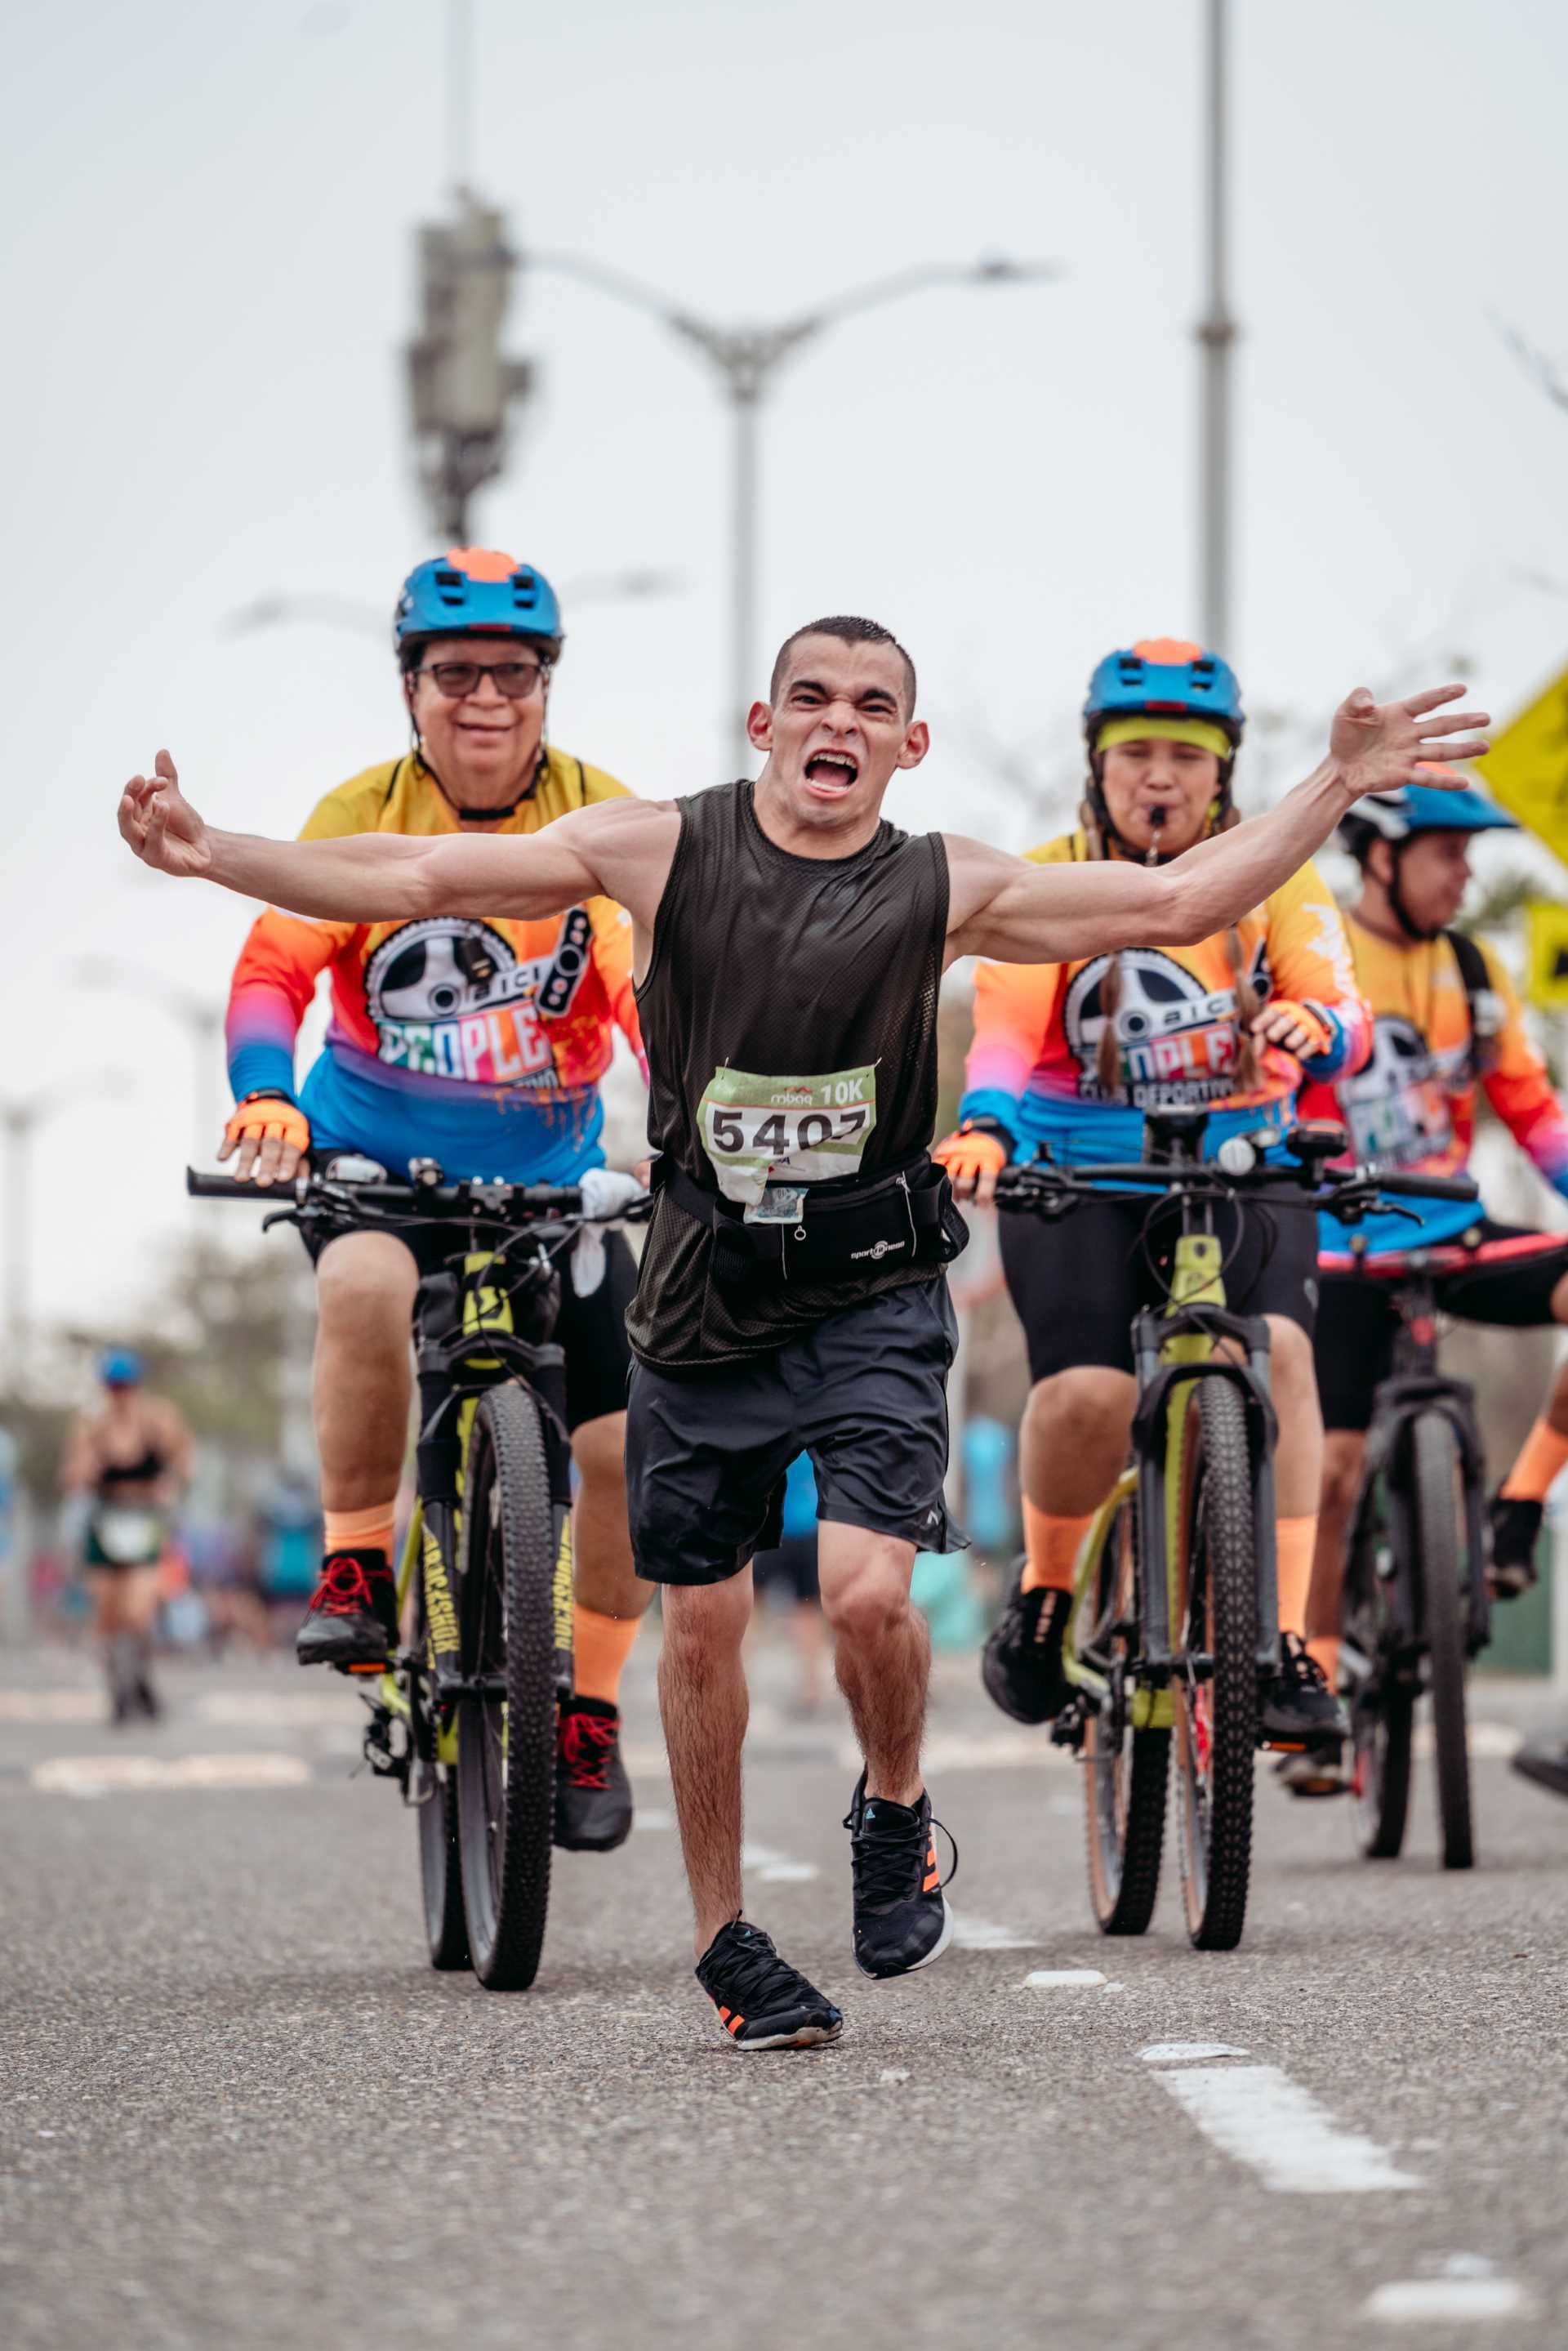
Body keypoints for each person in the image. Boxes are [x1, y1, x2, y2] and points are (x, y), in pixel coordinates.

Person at [117, 615, 1488, 2045]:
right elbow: (407, 871)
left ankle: (895, 1809)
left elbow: (1176, 899)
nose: (841, 722)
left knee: (864, 1595)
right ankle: (727, 1943)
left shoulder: (941, 880)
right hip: (706, 1289)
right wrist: (217, 853)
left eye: (874, 704)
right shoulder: (659, 848)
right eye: (813, 697)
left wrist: (1333, 787)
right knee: (699, 1625)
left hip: (873, 1283)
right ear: (763, 724)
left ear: (910, 743)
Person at [220, 546, 652, 1849]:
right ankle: (357, 1556)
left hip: (550, 1177)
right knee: (361, 1281)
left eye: (512, 674)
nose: (485, 698)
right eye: (454, 672)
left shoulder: (606, 815)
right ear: (411, 687)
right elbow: (270, 970)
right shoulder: (358, 811)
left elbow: (649, 990)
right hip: (375, 1164)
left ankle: (588, 1711)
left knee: (625, 1444)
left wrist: (687, 1119)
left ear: (546, 686)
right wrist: (266, 1093)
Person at [936, 641, 1371, 1767]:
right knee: (1082, 1396)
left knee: (1277, 1349)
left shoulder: (1274, 875)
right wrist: (986, 1121)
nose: (1160, 777)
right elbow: (1006, 1028)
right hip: (1076, 1171)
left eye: (1187, 754)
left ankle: (1278, 1640)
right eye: (1137, 756)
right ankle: (1043, 1599)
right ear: (1098, 764)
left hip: (1239, 1166)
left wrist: (1315, 1028)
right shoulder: (1049, 874)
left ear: (1224, 773)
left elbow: (1338, 999)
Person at [1297, 780, 1568, 1791]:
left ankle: (1520, 1506)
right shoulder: (1319, 955)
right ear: (1380, 857)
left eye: (1470, 854)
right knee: (1330, 1468)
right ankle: (1315, 1677)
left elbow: (1533, 1114)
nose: (1466, 873)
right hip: (1337, 1248)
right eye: (1446, 854)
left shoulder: (1472, 965)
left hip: (1451, 1232)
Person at [59, 1349, 192, 1724]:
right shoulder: (91, 1424)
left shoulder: (159, 1420)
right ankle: (117, 1687)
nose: (120, 1394)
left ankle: (141, 1674)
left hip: (143, 1521)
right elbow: (70, 1475)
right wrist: (84, 1470)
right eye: (113, 1387)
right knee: (106, 1615)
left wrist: (169, 1485)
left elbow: (184, 1464)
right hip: (104, 1522)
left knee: (137, 1612)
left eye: (125, 1386)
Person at [751, 1452, 826, 1715]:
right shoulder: (813, 1443)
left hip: (774, 1528)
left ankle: (740, 1675)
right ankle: (810, 1686)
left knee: (751, 1606)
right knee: (807, 1609)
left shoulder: (774, 1434)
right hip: (808, 1530)